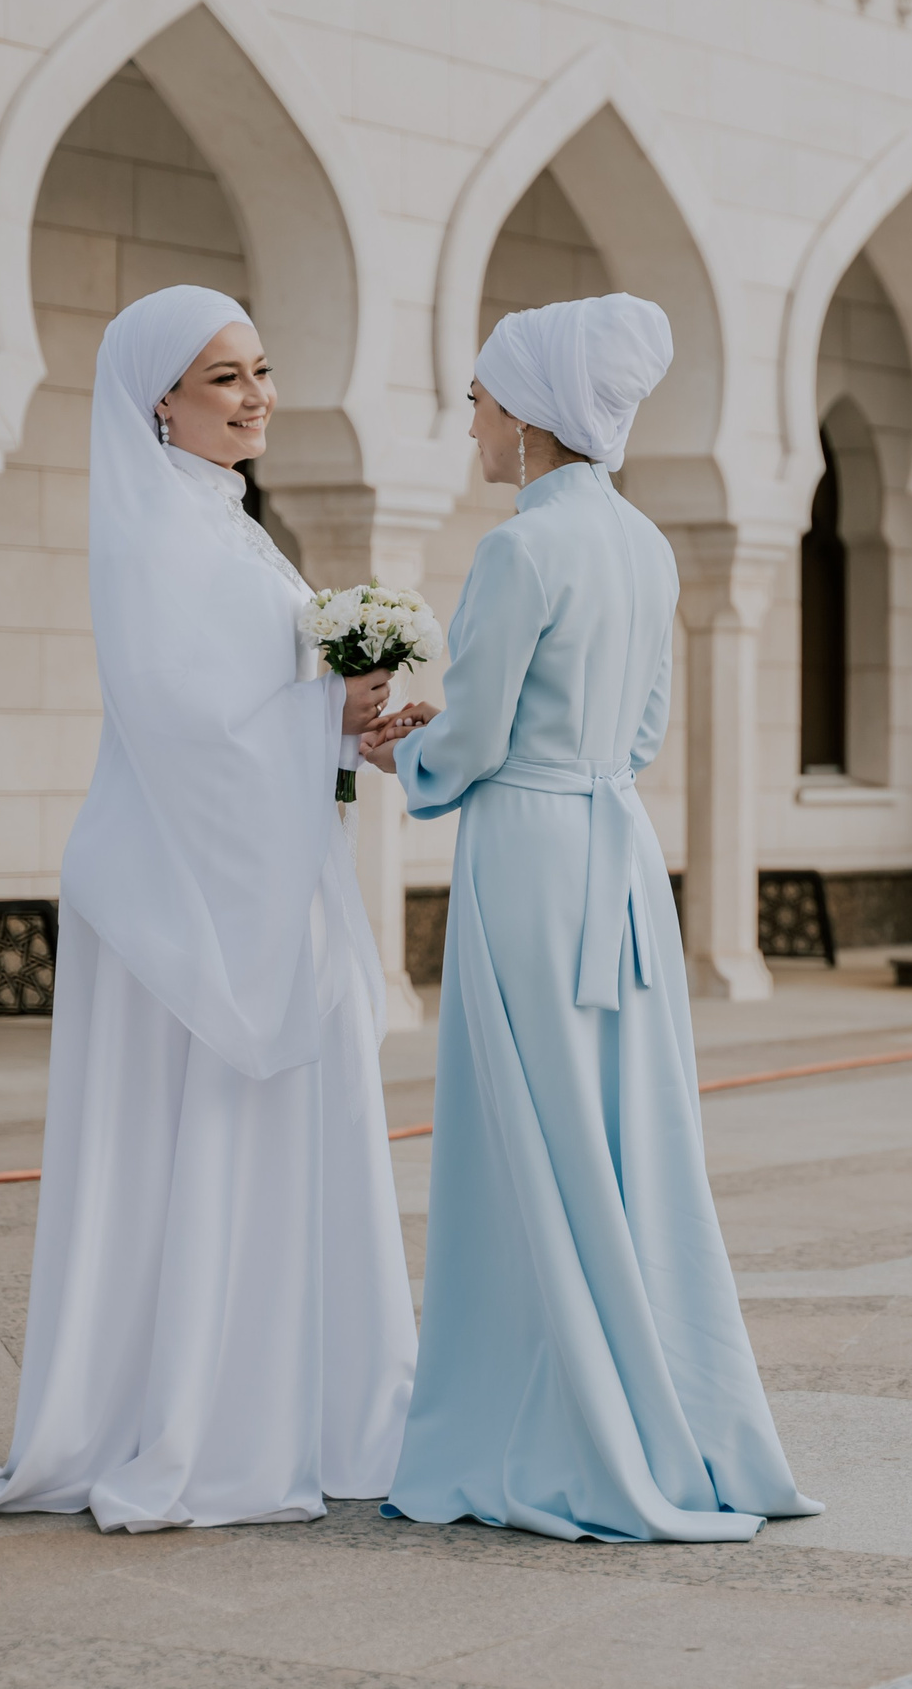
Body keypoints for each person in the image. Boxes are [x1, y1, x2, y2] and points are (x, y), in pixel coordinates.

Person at [0, 285, 418, 1533]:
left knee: (265, 1135)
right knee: (201, 1134)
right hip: (189, 903)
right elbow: (185, 723)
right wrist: (330, 703)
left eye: (261, 370)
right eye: (225, 377)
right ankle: (211, 1419)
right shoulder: (161, 527)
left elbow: (251, 702)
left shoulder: (224, 522)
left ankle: (289, 1399)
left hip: (248, 885)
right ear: (159, 396)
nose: (258, 395)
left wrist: (348, 711)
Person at [361, 292, 819, 1542]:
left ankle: (546, 1419)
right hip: (618, 854)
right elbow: (644, 730)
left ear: (529, 413)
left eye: (481, 401)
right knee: (623, 1131)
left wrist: (400, 755)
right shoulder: (646, 546)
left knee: (525, 1130)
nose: (471, 426)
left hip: (527, 856)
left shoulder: (520, 550)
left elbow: (480, 733)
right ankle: (663, 1406)